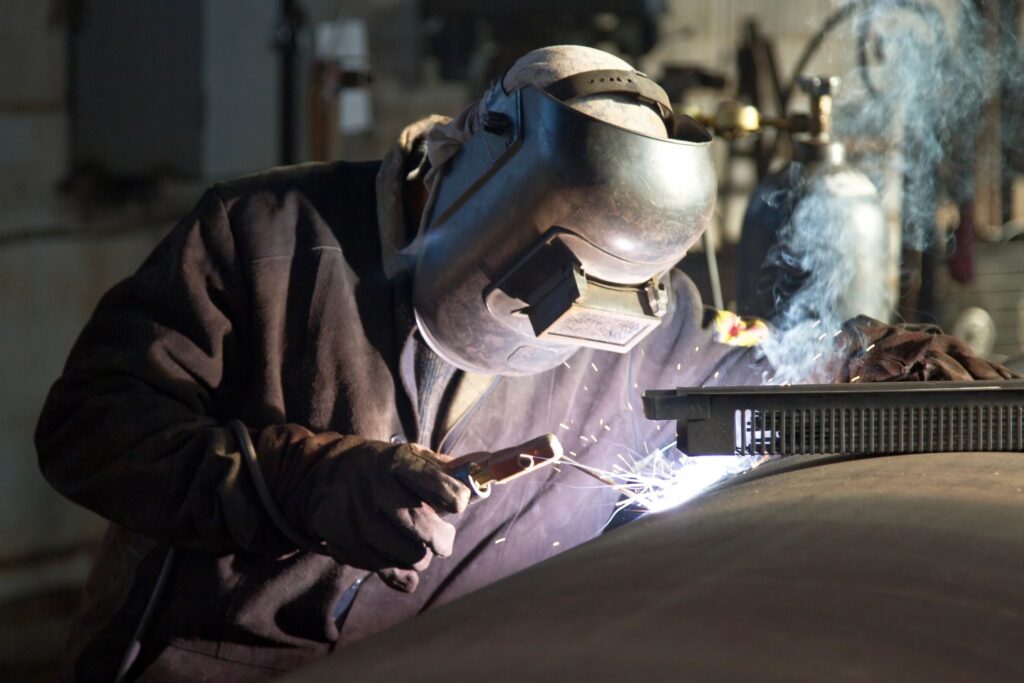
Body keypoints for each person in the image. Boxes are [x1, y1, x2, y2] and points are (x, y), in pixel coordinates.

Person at [36, 46, 1010, 681]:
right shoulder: (269, 238)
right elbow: (87, 425)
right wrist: (301, 479)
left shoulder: (651, 329)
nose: (570, 324)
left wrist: (871, 363)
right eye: (555, 274)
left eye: (611, 287)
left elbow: (754, 381)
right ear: (472, 175)